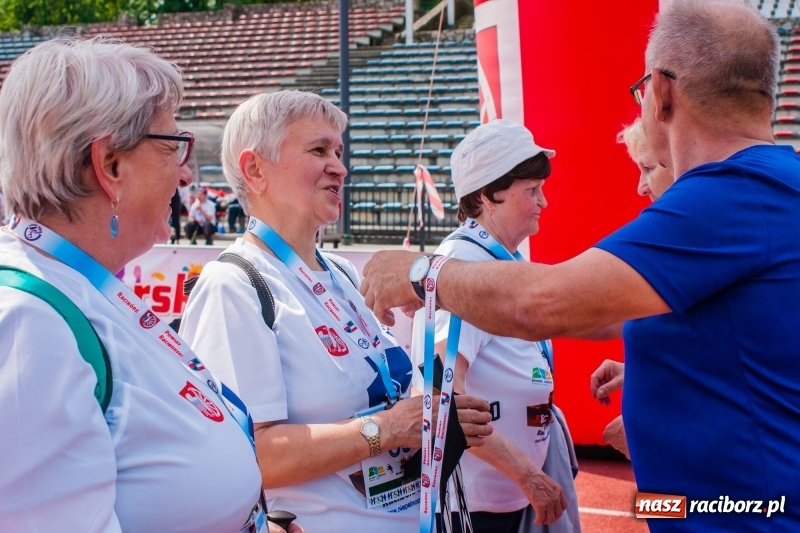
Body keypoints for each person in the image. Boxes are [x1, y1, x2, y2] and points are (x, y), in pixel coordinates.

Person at [360, 1, 800, 530]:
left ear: (659, 93)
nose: (543, 201)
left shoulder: (730, 194)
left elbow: (542, 303)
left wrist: (417, 274)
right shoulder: (768, 185)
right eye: (532, 188)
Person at [0, 36, 283, 533]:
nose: (186, 173)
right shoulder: (29, 324)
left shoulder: (80, 282)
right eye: (175, 145)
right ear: (110, 165)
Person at [179, 90, 493, 532]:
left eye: (340, 151)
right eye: (319, 150)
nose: (340, 167)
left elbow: (384, 398)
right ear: (255, 170)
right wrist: (387, 428)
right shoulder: (232, 285)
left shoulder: (343, 272)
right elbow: (247, 457)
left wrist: (436, 417)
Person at [410, 119, 575, 531]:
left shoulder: (488, 263)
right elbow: (439, 390)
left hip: (500, 504)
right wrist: (527, 474)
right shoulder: (463, 270)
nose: (544, 203)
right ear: (487, 196)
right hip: (475, 511)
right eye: (531, 191)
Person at [590, 117, 677, 459]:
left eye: (647, 168)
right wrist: (638, 373)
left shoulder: (690, 234)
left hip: (710, 482)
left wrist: (653, 420)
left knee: (669, 512)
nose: (641, 187)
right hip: (688, 471)